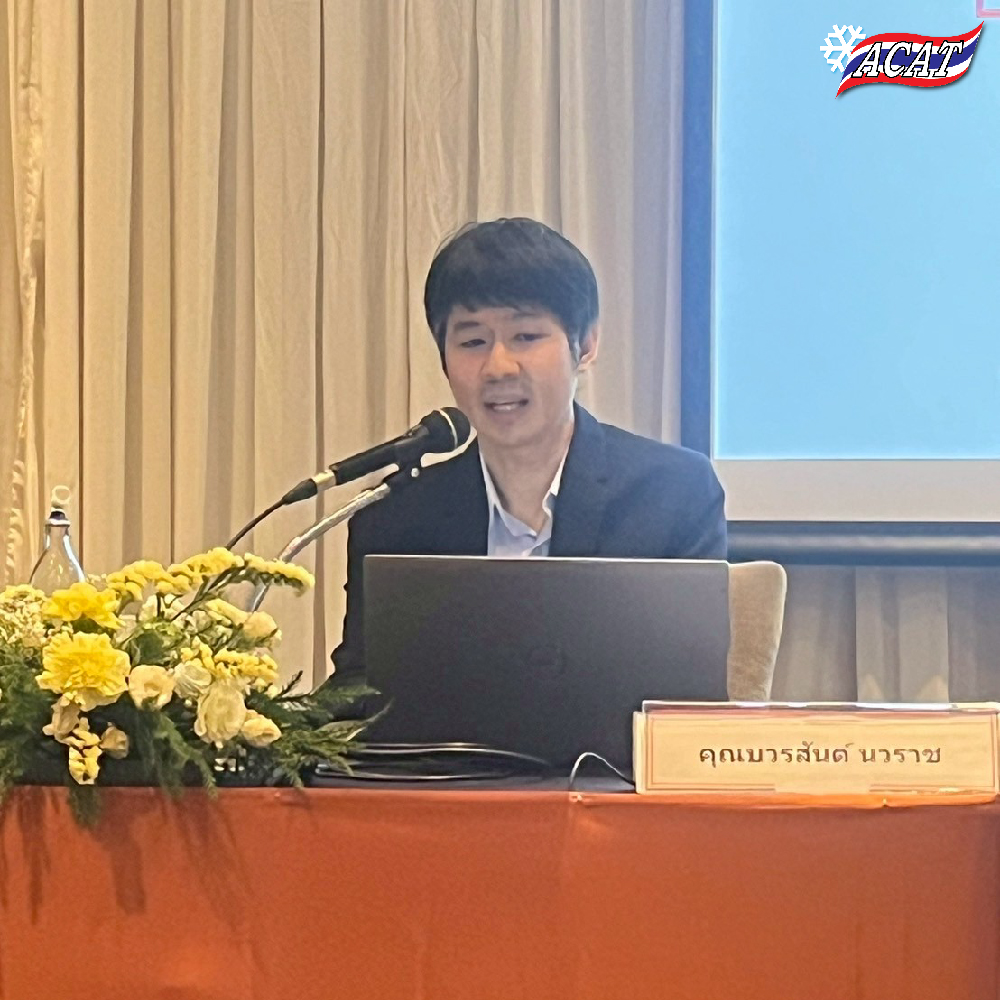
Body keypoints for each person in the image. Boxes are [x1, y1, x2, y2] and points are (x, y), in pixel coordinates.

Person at [331, 217, 726, 683]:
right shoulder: (395, 520)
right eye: (473, 341)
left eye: (526, 337)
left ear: (586, 344)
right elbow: (356, 692)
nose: (498, 367)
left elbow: (689, 696)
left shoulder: (672, 495)